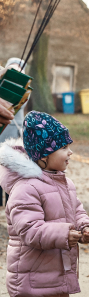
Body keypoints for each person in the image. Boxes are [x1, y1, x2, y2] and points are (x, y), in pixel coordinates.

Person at [0, 111, 89, 297]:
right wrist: (64, 234)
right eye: (63, 148)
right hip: (32, 281)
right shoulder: (25, 188)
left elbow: (76, 210)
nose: (70, 152)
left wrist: (85, 226)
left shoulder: (65, 183)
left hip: (57, 276)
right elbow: (30, 230)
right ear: (43, 155)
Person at [0, 58, 28, 207]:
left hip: (14, 134)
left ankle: (11, 201)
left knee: (11, 169)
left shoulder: (25, 88)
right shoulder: (3, 80)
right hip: (3, 132)